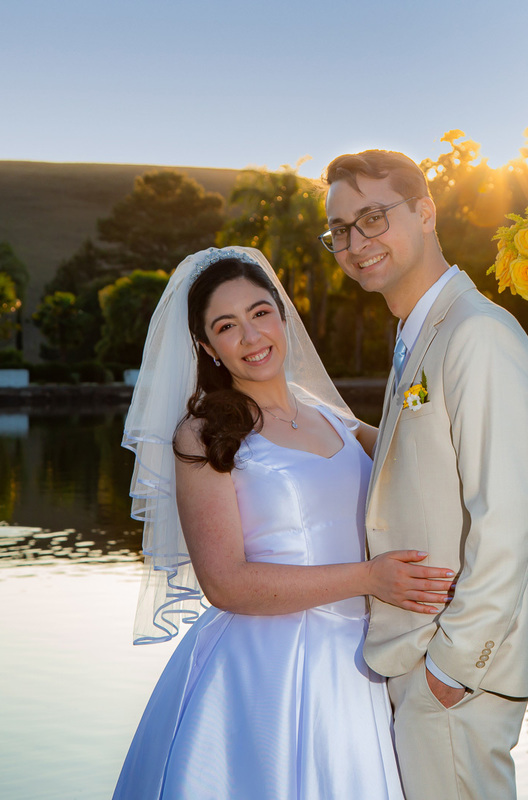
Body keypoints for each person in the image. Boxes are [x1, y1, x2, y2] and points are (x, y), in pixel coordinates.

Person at [112, 246, 456, 799]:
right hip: (265, 671)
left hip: (364, 661)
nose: (251, 337)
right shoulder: (202, 435)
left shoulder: (335, 419)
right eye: (227, 326)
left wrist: (514, 379)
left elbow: (433, 449)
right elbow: (224, 583)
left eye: (260, 313)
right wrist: (368, 578)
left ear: (282, 313)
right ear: (207, 347)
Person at [321, 150, 528, 799]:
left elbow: (510, 520)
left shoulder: (477, 334)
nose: (355, 243)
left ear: (426, 211)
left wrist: (453, 667)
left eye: (372, 217)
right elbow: (427, 459)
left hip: (458, 671)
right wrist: (326, 430)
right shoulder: (421, 333)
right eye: (341, 230)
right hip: (425, 659)